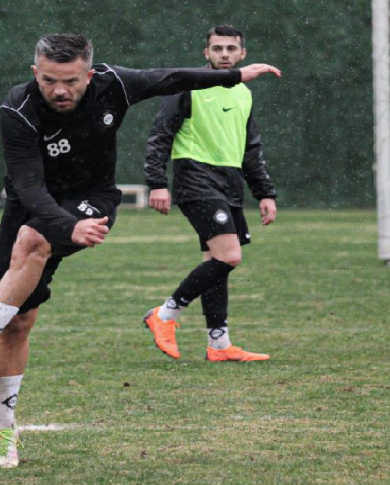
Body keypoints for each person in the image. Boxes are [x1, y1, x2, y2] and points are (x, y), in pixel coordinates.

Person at [0, 33, 281, 468]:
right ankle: (4, 433)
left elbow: (168, 78)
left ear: (89, 74)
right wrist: (67, 225)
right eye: (49, 80)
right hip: (35, 204)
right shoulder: (17, 109)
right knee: (20, 319)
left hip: (93, 198)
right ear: (34, 73)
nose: (60, 90)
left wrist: (232, 76)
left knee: (32, 240)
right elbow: (28, 186)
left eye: (71, 81)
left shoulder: (113, 84)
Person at [143, 25, 278, 362]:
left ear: (242, 54)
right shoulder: (188, 86)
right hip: (195, 179)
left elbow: (251, 149)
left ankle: (219, 345)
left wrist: (264, 192)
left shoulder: (244, 93)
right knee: (229, 256)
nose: (224, 55)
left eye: (231, 49)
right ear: (206, 53)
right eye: (217, 49)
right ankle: (163, 315)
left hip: (228, 184)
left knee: (216, 262)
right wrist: (157, 182)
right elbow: (161, 134)